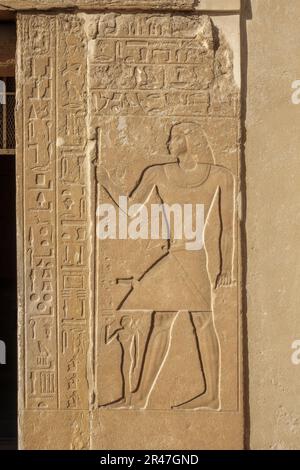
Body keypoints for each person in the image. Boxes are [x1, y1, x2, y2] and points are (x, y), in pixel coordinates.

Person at [101, 122, 235, 409]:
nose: (168, 144)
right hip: (174, 257)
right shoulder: (158, 173)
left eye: (175, 138)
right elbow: (132, 208)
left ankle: (212, 396)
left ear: (191, 140)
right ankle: (139, 397)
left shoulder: (220, 176)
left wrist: (228, 268)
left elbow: (227, 228)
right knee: (163, 322)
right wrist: (105, 181)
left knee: (202, 321)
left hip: (195, 258)